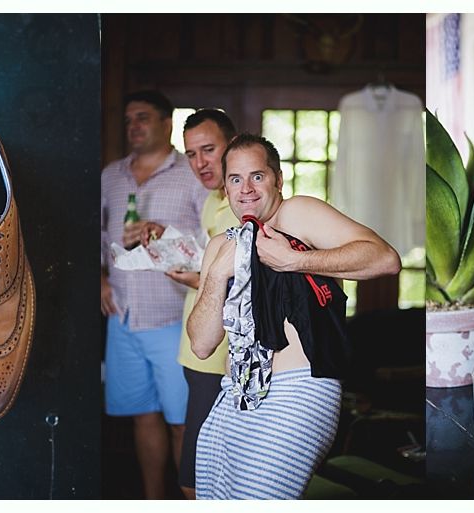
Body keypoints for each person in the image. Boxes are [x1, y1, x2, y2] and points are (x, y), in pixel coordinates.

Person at [186, 134, 401, 499]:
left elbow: (384, 258)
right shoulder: (221, 245)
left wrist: (295, 260)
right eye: (236, 179)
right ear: (225, 188)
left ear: (279, 180)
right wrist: (219, 274)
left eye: (258, 176)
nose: (247, 189)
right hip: (233, 397)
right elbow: (202, 344)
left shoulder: (297, 213)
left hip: (297, 390)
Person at [100, 90, 208, 499]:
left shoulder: (191, 174)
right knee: (142, 416)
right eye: (129, 120)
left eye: (143, 118)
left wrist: (162, 235)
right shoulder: (111, 175)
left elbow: (208, 241)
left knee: (182, 421)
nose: (134, 127)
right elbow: (97, 238)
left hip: (173, 317)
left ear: (167, 123)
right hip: (123, 316)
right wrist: (101, 280)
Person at [137, 109, 238, 499]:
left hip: (221, 354)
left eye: (209, 150)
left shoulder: (241, 202)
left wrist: (192, 277)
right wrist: (170, 240)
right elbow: (208, 259)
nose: (199, 163)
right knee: (197, 474)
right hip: (195, 349)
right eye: (192, 154)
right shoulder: (214, 200)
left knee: (197, 479)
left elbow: (240, 280)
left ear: (233, 144)